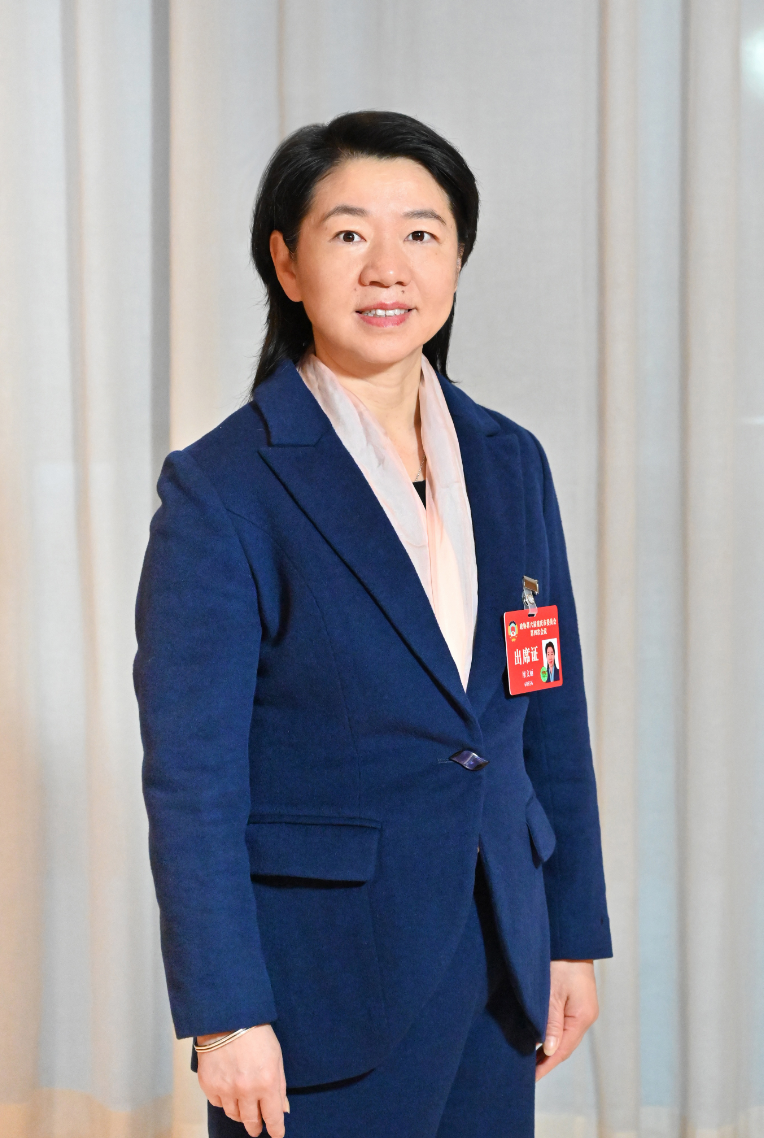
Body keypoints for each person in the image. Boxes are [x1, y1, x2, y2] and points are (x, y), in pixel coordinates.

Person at [135, 111, 612, 1138]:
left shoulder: (510, 461)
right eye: (348, 233)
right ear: (286, 263)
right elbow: (192, 780)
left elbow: (546, 713)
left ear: (457, 258)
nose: (388, 267)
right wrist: (226, 1013)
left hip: (500, 956)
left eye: (421, 234)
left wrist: (570, 930)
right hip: (321, 983)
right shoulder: (224, 488)